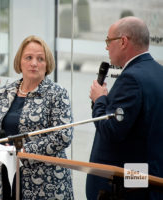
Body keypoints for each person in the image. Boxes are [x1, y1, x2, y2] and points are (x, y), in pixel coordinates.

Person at [0, 35, 74, 200]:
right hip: (6, 174)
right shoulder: (5, 91)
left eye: (40, 59)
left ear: (47, 65)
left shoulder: (57, 93)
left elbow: (63, 135)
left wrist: (24, 151)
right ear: (20, 61)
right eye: (29, 58)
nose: (34, 63)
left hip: (46, 182)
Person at [87, 16, 163, 200]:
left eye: (108, 41)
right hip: (146, 177)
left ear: (123, 41)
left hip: (124, 186)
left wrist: (100, 99)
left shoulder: (132, 79)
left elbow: (112, 129)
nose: (106, 47)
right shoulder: (158, 72)